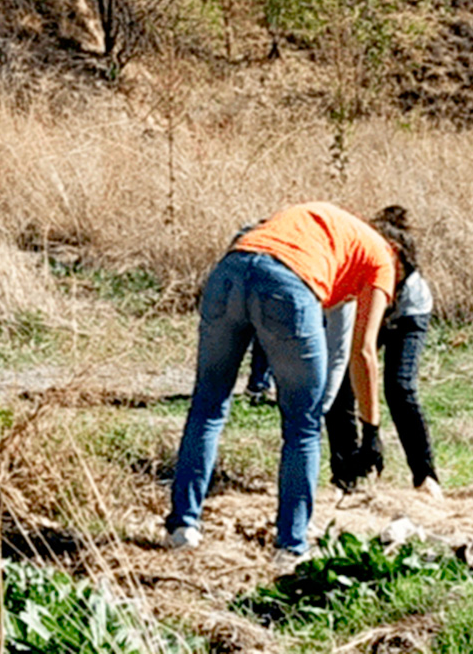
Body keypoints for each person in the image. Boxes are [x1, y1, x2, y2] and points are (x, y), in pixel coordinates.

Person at [166, 202, 410, 561]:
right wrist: (371, 431)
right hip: (287, 287)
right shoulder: (383, 260)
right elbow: (364, 352)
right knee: (303, 427)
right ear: (398, 257)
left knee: (208, 407)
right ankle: (291, 545)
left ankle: (183, 526)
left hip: (230, 271)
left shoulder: (329, 225)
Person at [326, 210, 442, 497]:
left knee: (399, 389)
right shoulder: (361, 274)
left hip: (408, 316)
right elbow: (358, 354)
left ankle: (425, 475)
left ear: (396, 253)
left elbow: (367, 353)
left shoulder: (412, 287)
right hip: (364, 310)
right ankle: (348, 473)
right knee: (341, 384)